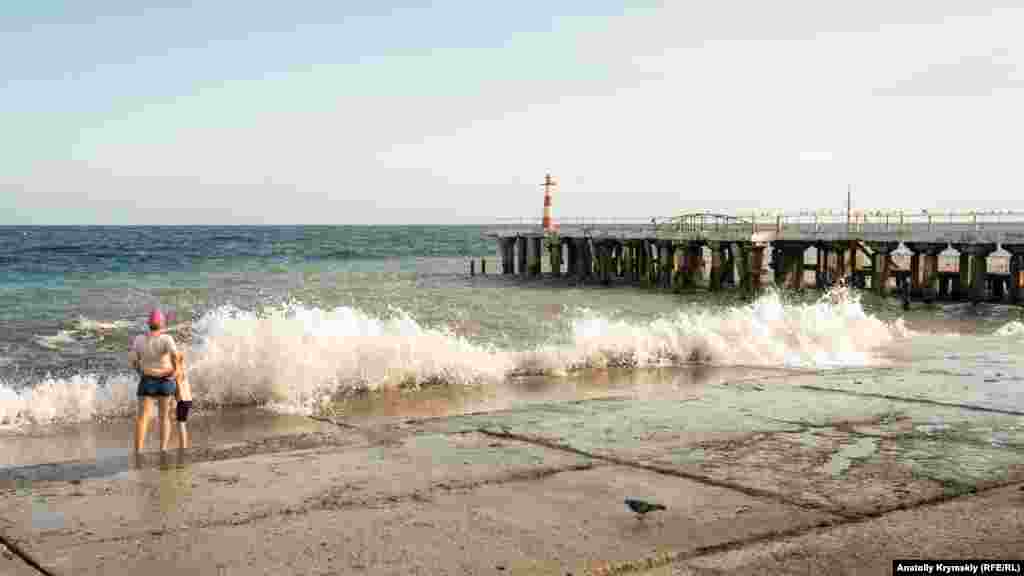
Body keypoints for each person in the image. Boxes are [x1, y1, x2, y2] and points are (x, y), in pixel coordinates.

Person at [130, 308, 179, 453]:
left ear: (148, 324)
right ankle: (163, 448)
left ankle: (138, 450)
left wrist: (140, 371)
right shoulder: (166, 339)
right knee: (164, 417)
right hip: (165, 380)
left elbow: (133, 360)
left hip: (147, 380)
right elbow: (175, 356)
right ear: (162, 324)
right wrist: (175, 371)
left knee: (143, 418)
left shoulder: (139, 339)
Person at [173, 350, 192, 450]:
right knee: (182, 424)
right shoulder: (183, 370)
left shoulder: (177, 372)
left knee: (181, 425)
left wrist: (178, 399)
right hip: (188, 400)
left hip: (182, 400)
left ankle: (183, 447)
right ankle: (184, 445)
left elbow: (179, 386)